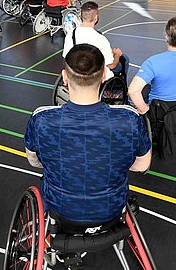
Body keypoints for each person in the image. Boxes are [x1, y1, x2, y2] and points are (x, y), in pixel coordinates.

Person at [24, 44, 151, 224]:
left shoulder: (42, 119)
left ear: (64, 78)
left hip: (60, 208)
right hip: (111, 208)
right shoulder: (129, 119)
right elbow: (141, 166)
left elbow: (34, 161)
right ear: (104, 76)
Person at [128, 17, 176, 115]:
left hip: (160, 115)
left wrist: (144, 109)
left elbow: (133, 91)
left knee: (145, 89)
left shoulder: (153, 62)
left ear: (166, 37)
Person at [62, 1, 127, 82]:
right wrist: (117, 55)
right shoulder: (101, 39)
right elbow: (111, 65)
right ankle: (117, 90)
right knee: (125, 60)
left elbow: (66, 57)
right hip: (94, 76)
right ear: (96, 17)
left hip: (76, 73)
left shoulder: (70, 35)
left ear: (80, 16)